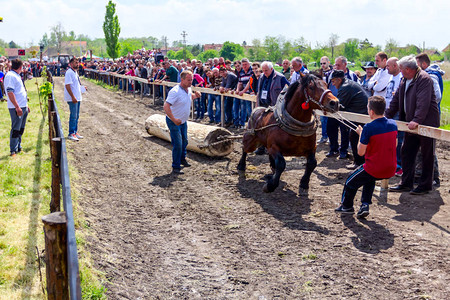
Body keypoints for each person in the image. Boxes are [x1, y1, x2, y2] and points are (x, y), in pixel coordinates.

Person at [335, 96, 397, 218]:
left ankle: (346, 206)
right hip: (390, 168)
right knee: (369, 178)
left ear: (371, 112)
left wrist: (361, 134)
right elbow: (393, 145)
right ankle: (365, 205)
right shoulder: (393, 124)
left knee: (350, 180)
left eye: (368, 108)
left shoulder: (368, 128)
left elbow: (360, 152)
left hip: (375, 168)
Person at [386, 55, 439, 195]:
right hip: (411, 123)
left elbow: (423, 102)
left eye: (401, 69)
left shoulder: (424, 79)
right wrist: (386, 115)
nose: (400, 71)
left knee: (427, 154)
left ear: (408, 69)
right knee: (407, 152)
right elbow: (397, 99)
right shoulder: (405, 79)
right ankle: (406, 183)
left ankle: (425, 185)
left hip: (425, 123)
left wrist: (417, 119)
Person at [163, 70, 201, 174]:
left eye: (191, 79)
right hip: (174, 121)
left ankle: (182, 159)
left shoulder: (188, 89)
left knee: (185, 141)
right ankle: (176, 166)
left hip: (183, 121)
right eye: (188, 80)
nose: (191, 82)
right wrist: (174, 119)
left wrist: (195, 96)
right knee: (178, 144)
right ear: (182, 79)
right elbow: (166, 106)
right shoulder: (175, 91)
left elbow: (188, 98)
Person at [329, 70, 368, 168]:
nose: (333, 84)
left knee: (356, 138)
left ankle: (360, 164)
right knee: (354, 137)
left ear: (339, 79)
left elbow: (340, 106)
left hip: (361, 116)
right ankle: (359, 162)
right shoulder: (347, 84)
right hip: (359, 114)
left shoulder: (345, 87)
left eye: (333, 81)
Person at [254, 61, 290, 155]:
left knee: (273, 128)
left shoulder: (280, 77)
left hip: (274, 107)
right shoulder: (262, 77)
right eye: (263, 70)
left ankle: (274, 147)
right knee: (261, 127)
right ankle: (261, 147)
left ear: (271, 69)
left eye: (266, 70)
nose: (264, 72)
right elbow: (259, 90)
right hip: (263, 105)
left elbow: (289, 89)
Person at [4, 58, 30, 156]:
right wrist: (17, 107)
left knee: (21, 128)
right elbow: (10, 93)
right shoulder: (10, 76)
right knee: (16, 128)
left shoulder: (16, 75)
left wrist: (25, 106)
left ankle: (18, 146)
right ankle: (13, 150)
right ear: (20, 67)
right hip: (16, 107)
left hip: (22, 106)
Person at [385, 57, 404, 176]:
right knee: (391, 138)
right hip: (389, 110)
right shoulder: (391, 76)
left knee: (399, 139)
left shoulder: (401, 78)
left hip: (397, 112)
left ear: (395, 66)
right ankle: (393, 162)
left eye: (388, 66)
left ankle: (400, 165)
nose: (386, 68)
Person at [64, 57, 86, 141]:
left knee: (76, 116)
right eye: (75, 63)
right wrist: (72, 96)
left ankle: (75, 131)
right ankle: (71, 133)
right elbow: (68, 85)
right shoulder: (69, 72)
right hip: (73, 98)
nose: (77, 64)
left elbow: (76, 85)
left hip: (77, 97)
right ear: (71, 63)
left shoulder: (75, 72)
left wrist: (82, 88)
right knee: (73, 115)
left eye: (78, 62)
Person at [318, 56, 333, 144]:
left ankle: (331, 137)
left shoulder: (332, 73)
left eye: (324, 63)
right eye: (321, 63)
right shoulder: (320, 73)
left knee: (331, 119)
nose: (323, 65)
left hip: (330, 97)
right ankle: (324, 136)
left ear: (328, 62)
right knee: (323, 118)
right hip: (322, 99)